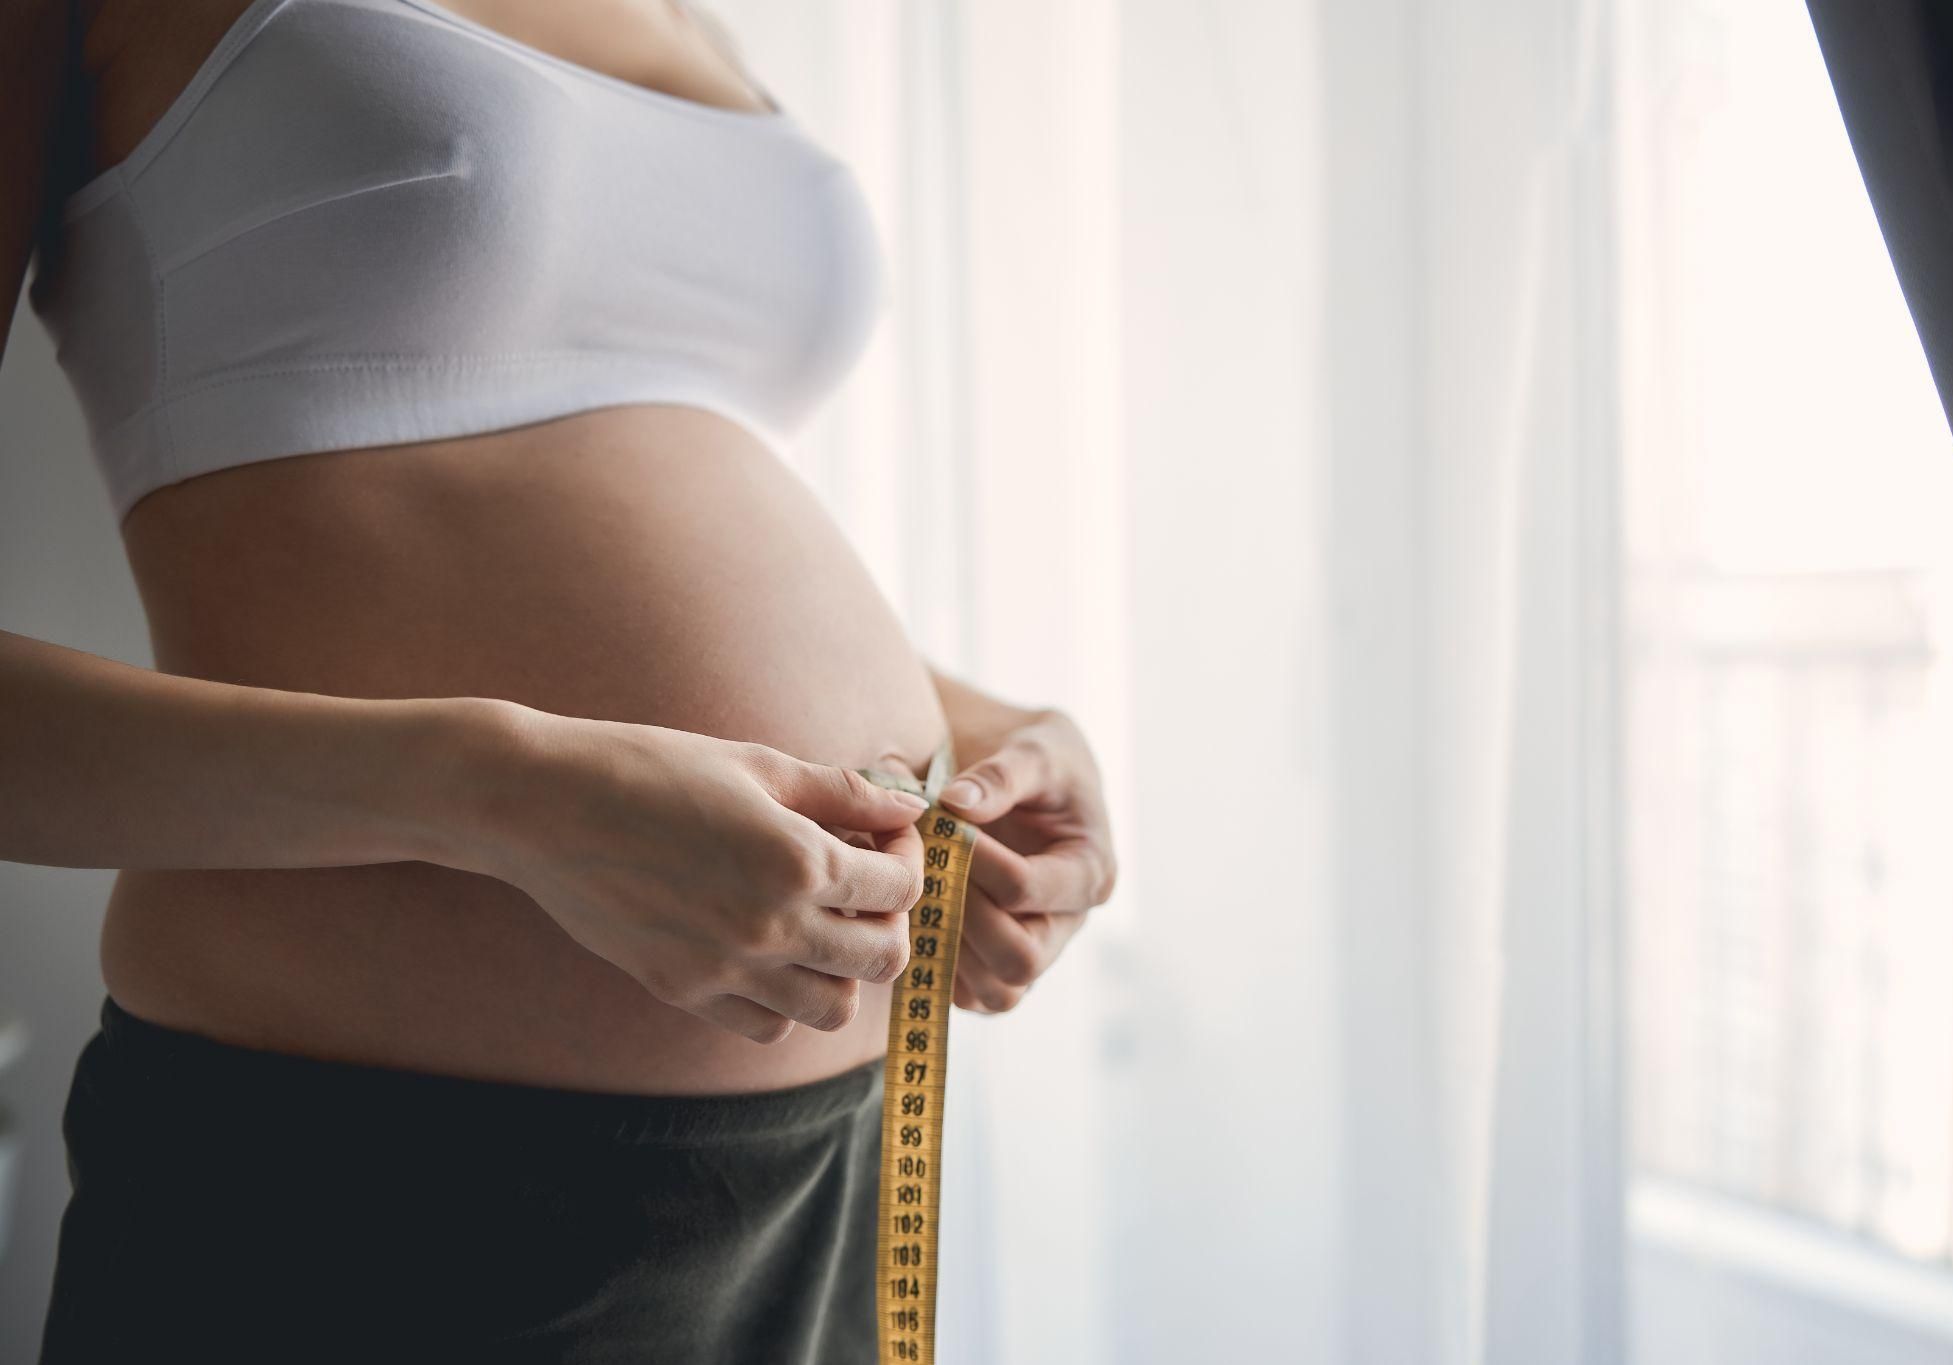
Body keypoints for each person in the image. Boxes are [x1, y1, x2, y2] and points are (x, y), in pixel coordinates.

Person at [0, 0, 1119, 1359]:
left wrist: (972, 738)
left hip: (819, 1167)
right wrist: (507, 796)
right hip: (358, 1190)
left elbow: (643, 490)